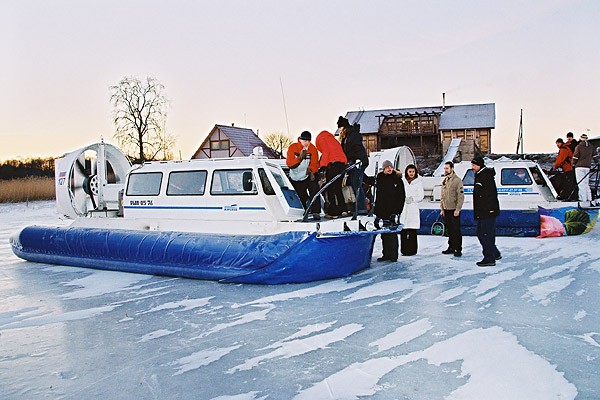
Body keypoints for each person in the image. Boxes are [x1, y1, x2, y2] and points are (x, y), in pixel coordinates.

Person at [471, 156, 501, 267]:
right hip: (482, 211)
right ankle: (494, 253)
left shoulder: (486, 176)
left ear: (479, 165)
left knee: (484, 234)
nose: (472, 167)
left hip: (487, 211)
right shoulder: (479, 175)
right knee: (484, 233)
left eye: (474, 165)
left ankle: (489, 257)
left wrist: (491, 209)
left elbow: (490, 194)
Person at [374, 160, 405, 262]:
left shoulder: (397, 179)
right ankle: (386, 254)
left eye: (390, 167)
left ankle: (393, 255)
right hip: (382, 210)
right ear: (383, 169)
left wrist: (398, 211)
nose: (389, 169)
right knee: (384, 233)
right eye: (387, 167)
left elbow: (401, 196)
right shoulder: (380, 178)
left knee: (392, 233)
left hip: (393, 211)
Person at [337, 116, 369, 215]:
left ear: (344, 128)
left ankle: (361, 207)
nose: (340, 130)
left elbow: (357, 148)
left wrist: (357, 160)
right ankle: (356, 206)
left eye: (341, 128)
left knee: (356, 183)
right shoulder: (347, 136)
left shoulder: (352, 135)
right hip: (353, 162)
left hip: (358, 162)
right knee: (352, 182)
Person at [286, 131, 321, 219]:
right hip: (295, 177)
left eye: (309, 141)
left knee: (314, 189)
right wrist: (299, 158)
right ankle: (302, 212)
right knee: (300, 196)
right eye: (305, 141)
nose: (307, 143)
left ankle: (316, 211)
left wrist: (311, 171)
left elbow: (315, 164)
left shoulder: (313, 149)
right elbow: (289, 164)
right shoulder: (293, 147)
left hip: (307, 175)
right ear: (300, 139)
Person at [315, 130, 348, 218]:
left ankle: (332, 212)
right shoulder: (333, 140)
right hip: (341, 165)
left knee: (330, 188)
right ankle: (343, 209)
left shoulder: (321, 139)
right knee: (338, 188)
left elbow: (325, 152)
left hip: (333, 165)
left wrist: (322, 166)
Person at [440, 161, 464, 257]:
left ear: (452, 169)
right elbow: (443, 196)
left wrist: (458, 209)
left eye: (447, 168)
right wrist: (442, 208)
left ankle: (458, 248)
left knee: (456, 230)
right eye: (444, 168)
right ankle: (451, 247)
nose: (445, 170)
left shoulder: (457, 181)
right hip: (446, 209)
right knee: (449, 230)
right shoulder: (445, 180)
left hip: (454, 209)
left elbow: (460, 196)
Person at [399, 164, 424, 256]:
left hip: (413, 207)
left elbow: (421, 195)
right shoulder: (403, 181)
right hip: (404, 208)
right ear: (406, 172)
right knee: (404, 230)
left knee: (412, 230)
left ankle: (413, 250)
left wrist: (412, 198)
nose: (411, 173)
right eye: (410, 172)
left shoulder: (418, 182)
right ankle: (404, 250)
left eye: (413, 171)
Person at [573, 133, 599, 206]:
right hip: (587, 167)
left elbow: (575, 157)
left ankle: (583, 200)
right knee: (586, 183)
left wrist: (573, 164)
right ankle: (589, 198)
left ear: (580, 139)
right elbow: (596, 156)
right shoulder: (591, 147)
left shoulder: (579, 146)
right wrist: (597, 162)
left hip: (579, 167)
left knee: (580, 183)